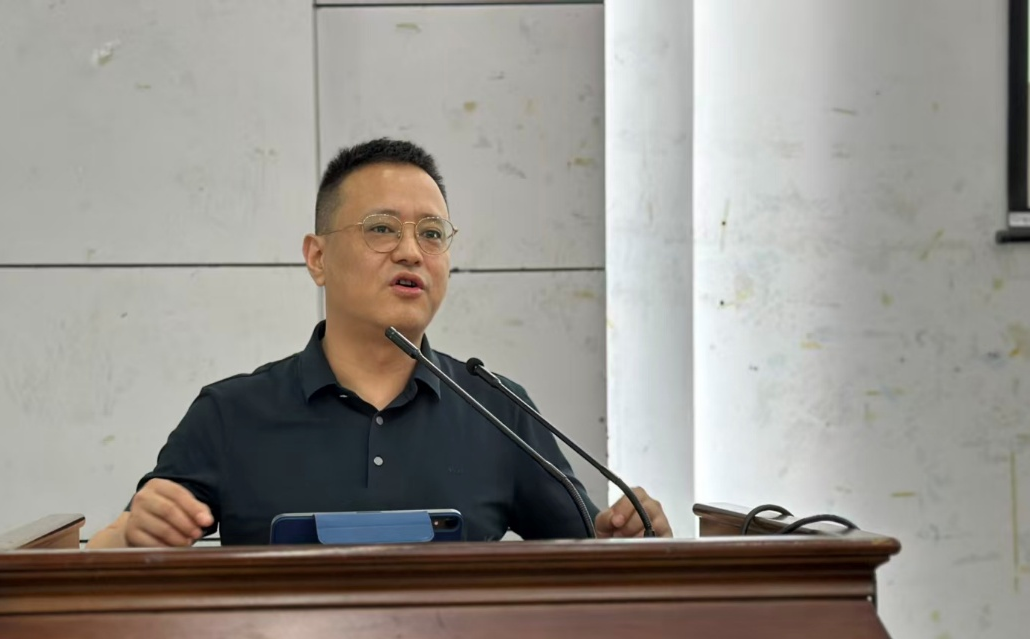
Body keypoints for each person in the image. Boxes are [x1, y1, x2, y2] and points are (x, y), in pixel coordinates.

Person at [87, 138, 671, 548]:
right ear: (318, 257)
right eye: (382, 229)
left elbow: (592, 556)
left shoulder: (497, 409)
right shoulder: (231, 412)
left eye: (432, 234)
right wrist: (138, 531)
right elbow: (114, 548)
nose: (411, 251)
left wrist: (631, 536)